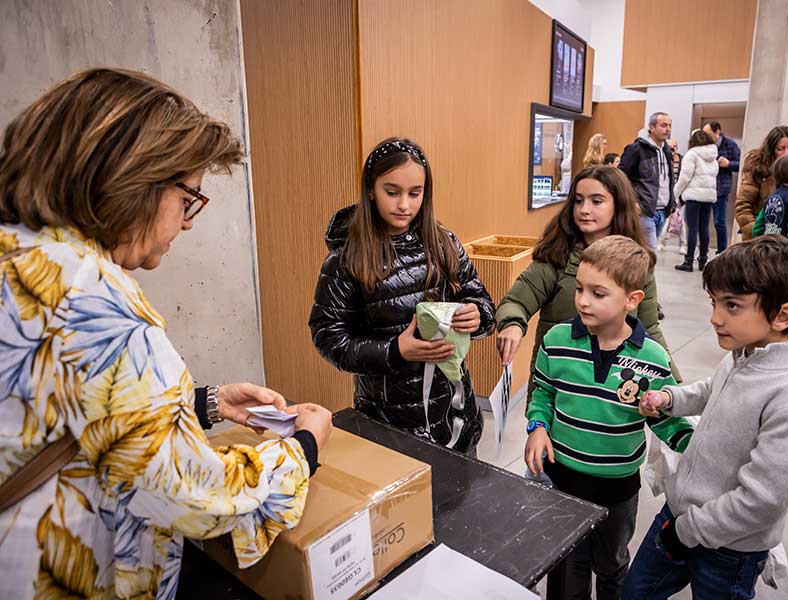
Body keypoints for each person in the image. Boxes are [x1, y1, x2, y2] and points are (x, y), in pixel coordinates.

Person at [0, 68, 334, 597]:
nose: (188, 222)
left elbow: (66, 411)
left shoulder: (19, 260)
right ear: (135, 179)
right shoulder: (97, 302)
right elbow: (198, 499)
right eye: (188, 199)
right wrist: (304, 447)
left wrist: (206, 403)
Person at [623, 236, 788, 600]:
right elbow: (711, 390)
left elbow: (761, 501)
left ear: (783, 315)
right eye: (714, 302)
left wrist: (687, 532)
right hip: (679, 516)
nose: (715, 317)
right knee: (635, 592)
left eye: (732, 305)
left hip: (729, 551)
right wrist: (671, 398)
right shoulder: (743, 354)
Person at [523, 235, 694, 600]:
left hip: (618, 490)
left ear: (632, 299)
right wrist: (537, 427)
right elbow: (543, 392)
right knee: (567, 564)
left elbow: (663, 418)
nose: (583, 300)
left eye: (598, 293)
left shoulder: (653, 359)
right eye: (580, 289)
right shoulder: (556, 340)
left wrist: (695, 446)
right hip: (563, 479)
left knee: (612, 562)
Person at [309, 138, 495, 454]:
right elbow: (329, 337)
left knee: (460, 485)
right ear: (371, 189)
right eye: (392, 192)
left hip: (454, 413)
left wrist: (477, 315)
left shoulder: (444, 242)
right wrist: (394, 351)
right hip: (388, 422)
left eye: (415, 193)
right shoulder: (347, 260)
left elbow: (481, 299)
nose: (404, 205)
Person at [495, 166, 682, 390]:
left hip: (612, 390)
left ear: (618, 204)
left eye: (597, 201)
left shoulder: (637, 262)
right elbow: (516, 301)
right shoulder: (556, 257)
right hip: (556, 385)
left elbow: (649, 327)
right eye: (578, 200)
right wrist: (512, 324)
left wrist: (673, 383)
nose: (584, 209)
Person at [734, 125, 788, 241]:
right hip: (761, 239)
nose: (786, 153)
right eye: (781, 149)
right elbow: (742, 207)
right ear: (771, 149)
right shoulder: (757, 168)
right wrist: (759, 233)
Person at [619, 113, 677, 251]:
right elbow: (620, 177)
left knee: (644, 254)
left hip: (663, 211)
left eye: (669, 125)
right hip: (644, 211)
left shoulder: (666, 150)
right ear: (651, 127)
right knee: (651, 254)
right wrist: (632, 202)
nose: (668, 129)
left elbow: (668, 180)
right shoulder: (636, 149)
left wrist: (672, 204)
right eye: (663, 125)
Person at [673, 129, 719, 272]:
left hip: (694, 196)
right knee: (704, 228)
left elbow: (685, 177)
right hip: (708, 197)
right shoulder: (713, 156)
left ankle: (688, 261)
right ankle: (703, 259)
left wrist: (675, 193)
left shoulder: (691, 154)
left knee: (692, 228)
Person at [702, 121, 742, 252]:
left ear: (717, 132)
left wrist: (728, 164)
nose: (705, 136)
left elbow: (740, 164)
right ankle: (703, 251)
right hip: (704, 188)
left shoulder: (730, 145)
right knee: (702, 222)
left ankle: (722, 251)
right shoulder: (704, 145)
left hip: (721, 189)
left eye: (708, 134)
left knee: (719, 222)